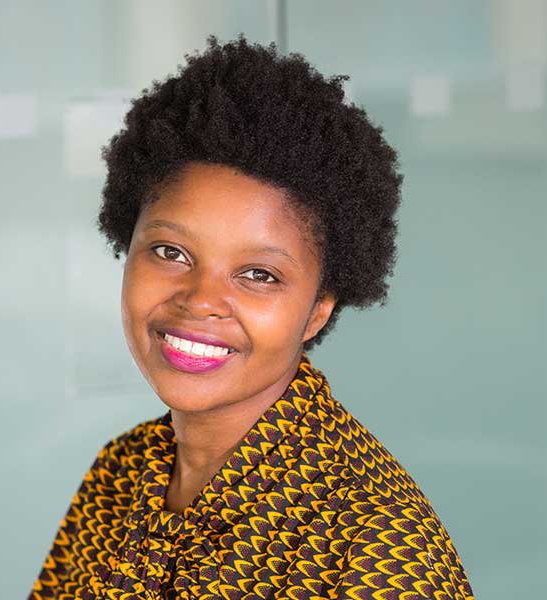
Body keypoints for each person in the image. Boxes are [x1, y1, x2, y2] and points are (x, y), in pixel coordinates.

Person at [29, 34, 474, 599]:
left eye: (259, 274)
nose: (200, 299)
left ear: (317, 310)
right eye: (170, 252)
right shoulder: (119, 475)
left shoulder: (376, 549)